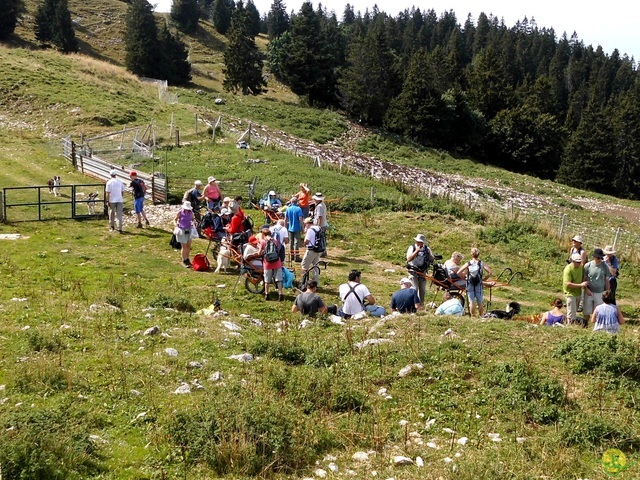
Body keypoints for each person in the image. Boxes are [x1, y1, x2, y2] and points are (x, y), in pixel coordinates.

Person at [457, 248, 492, 317]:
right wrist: (484, 279)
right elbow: (490, 272)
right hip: (479, 284)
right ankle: (481, 316)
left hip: (470, 283)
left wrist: (465, 278)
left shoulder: (468, 263)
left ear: (471, 254)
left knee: (471, 301)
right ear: (478, 254)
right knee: (480, 302)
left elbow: (458, 272)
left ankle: (473, 316)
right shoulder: (481, 263)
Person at [406, 234, 434, 304]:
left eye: (420, 242)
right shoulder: (412, 247)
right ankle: (413, 304)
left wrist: (429, 254)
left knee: (422, 289)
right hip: (413, 271)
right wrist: (416, 251)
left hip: (422, 271)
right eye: (417, 241)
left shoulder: (427, 248)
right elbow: (408, 259)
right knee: (414, 288)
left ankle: (421, 304)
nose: (419, 243)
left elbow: (432, 259)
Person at [583, 248, 610, 321]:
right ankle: (585, 324)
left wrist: (607, 291)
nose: (599, 259)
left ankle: (597, 325)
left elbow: (607, 280)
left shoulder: (605, 267)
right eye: (598, 257)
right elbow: (584, 279)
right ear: (594, 257)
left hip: (600, 292)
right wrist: (586, 289)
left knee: (599, 312)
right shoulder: (587, 266)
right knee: (586, 311)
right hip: (589, 292)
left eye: (601, 258)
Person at [563, 253, 588, 325]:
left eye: (580, 262)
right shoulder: (568, 269)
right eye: (577, 262)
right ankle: (569, 325)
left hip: (578, 292)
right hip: (570, 292)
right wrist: (581, 285)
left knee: (575, 310)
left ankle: (572, 324)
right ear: (573, 261)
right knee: (571, 311)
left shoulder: (581, 267)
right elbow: (567, 284)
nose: (579, 263)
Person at [260, 230, 284, 301]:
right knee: (279, 279)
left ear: (264, 234)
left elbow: (259, 252)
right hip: (277, 261)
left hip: (267, 262)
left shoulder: (263, 242)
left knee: (267, 280)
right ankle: (280, 294)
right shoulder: (275, 241)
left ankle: (267, 294)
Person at [174, 201, 197, 268]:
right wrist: (176, 225)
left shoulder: (191, 213)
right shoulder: (180, 212)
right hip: (182, 230)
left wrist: (193, 222)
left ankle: (187, 258)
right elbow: (175, 219)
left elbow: (192, 219)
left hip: (189, 229)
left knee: (188, 245)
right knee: (184, 246)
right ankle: (184, 259)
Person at [300, 217, 322, 285]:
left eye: (305, 224)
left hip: (311, 250)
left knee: (304, 265)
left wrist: (304, 243)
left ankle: (303, 282)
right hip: (318, 249)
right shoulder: (318, 228)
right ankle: (316, 283)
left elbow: (306, 241)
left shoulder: (310, 230)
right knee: (315, 266)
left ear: (307, 223)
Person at [105, 169, 126, 233]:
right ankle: (120, 228)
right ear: (116, 175)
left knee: (112, 212)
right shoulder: (120, 181)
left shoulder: (109, 182)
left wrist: (107, 201)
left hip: (112, 200)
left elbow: (107, 193)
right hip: (119, 199)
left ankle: (112, 226)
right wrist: (121, 197)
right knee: (119, 214)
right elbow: (122, 191)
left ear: (110, 175)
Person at [285, 196, 304, 262]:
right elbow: (300, 219)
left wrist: (285, 228)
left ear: (291, 202)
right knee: (297, 242)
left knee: (291, 242)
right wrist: (303, 227)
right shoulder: (298, 209)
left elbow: (285, 219)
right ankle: (297, 256)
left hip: (290, 228)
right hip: (297, 228)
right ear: (297, 202)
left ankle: (291, 256)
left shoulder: (288, 208)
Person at [312, 192, 328, 257]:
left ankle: (322, 252)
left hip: (321, 225)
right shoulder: (322, 204)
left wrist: (318, 226)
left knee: (320, 239)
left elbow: (319, 217)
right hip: (323, 224)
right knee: (322, 238)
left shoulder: (319, 206)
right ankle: (323, 251)